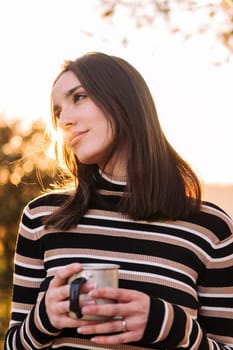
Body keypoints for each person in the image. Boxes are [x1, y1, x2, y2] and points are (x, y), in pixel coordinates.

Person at [4, 51, 233, 350]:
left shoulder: (210, 227)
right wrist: (43, 319)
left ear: (124, 100)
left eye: (79, 97)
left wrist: (172, 326)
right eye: (58, 110)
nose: (64, 120)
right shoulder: (43, 216)